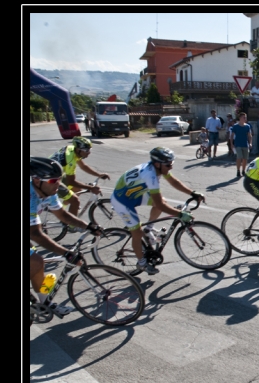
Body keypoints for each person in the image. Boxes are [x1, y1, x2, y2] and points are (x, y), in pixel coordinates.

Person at [110, 147, 205, 275]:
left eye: (172, 164)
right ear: (157, 164)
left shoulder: (158, 169)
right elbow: (160, 205)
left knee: (163, 201)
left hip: (134, 194)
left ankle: (148, 228)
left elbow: (173, 181)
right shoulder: (150, 176)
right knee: (136, 232)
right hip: (122, 201)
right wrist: (180, 214)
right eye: (168, 165)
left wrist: (192, 193)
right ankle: (142, 263)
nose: (171, 167)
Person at [29, 157, 102, 317]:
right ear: (36, 180)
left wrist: (88, 226)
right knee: (35, 261)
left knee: (38, 266)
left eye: (59, 180)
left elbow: (62, 215)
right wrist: (66, 253)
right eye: (53, 180)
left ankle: (44, 303)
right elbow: (34, 233)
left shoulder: (47, 190)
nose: (57, 184)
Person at [48, 136, 111, 225]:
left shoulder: (72, 149)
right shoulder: (70, 160)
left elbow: (83, 166)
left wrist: (99, 174)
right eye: (86, 150)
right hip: (50, 182)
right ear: (78, 149)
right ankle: (71, 225)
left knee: (77, 189)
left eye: (89, 150)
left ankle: (63, 210)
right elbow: (71, 182)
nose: (88, 153)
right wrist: (91, 188)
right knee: (75, 201)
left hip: (55, 175)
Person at [232, 112, 253, 178]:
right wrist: (231, 144)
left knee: (245, 159)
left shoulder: (247, 126)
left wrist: (250, 143)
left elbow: (250, 136)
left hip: (245, 144)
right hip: (238, 144)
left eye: (246, 117)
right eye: (244, 117)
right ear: (240, 118)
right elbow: (231, 136)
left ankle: (243, 170)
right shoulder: (235, 126)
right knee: (239, 157)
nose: (245, 118)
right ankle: (238, 170)